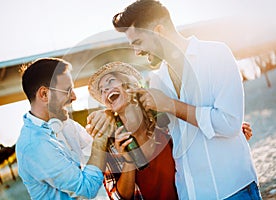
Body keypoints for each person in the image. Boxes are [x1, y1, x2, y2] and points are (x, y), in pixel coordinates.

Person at [107, 0, 261, 199]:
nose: (137, 52)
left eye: (138, 42)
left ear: (159, 31)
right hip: (190, 193)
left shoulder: (216, 54)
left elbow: (229, 123)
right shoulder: (157, 80)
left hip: (233, 188)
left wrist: (172, 106)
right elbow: (167, 135)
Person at [15, 57, 110, 199]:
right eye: (67, 90)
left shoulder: (62, 123)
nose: (74, 97)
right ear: (44, 94)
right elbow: (86, 188)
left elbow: (102, 153)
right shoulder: (34, 145)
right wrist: (101, 140)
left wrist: (107, 116)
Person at [88, 61, 178, 200]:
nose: (105, 90)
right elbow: (118, 197)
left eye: (110, 81)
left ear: (130, 85)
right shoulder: (110, 147)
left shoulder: (164, 126)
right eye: (101, 90)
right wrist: (128, 161)